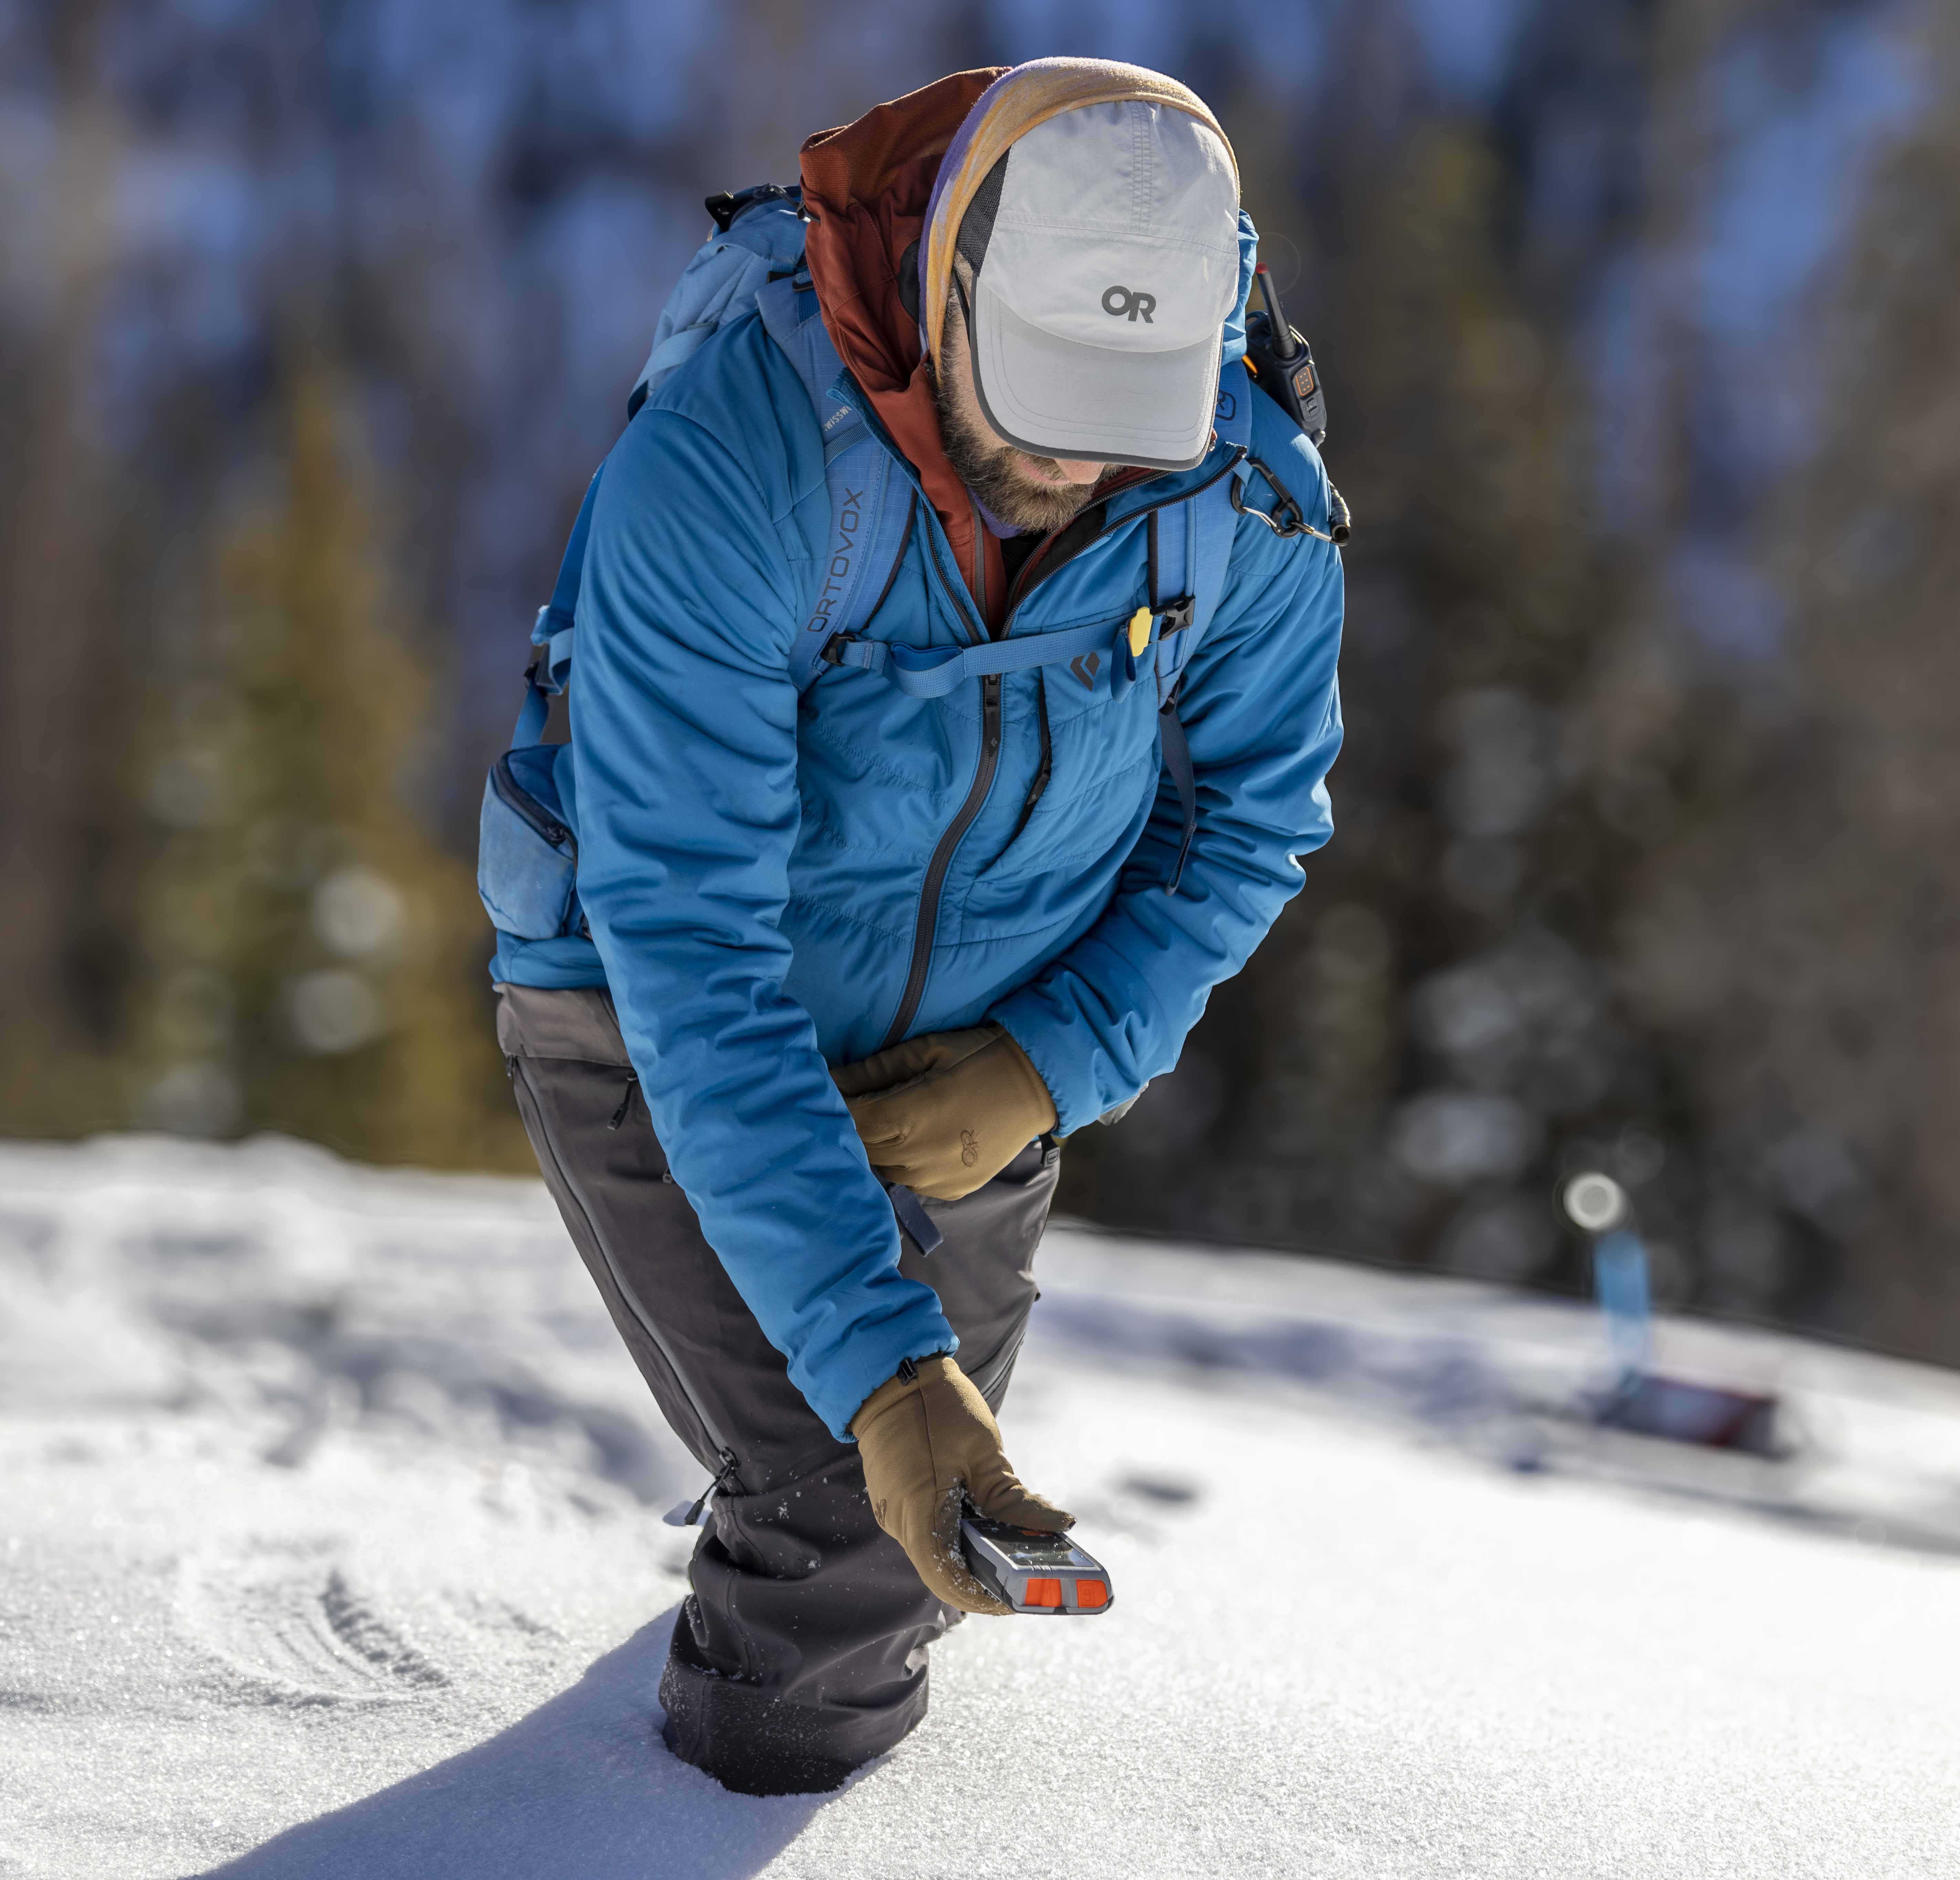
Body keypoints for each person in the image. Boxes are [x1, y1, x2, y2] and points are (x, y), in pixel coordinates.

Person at [489, 55, 1344, 1796]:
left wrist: (1048, 1063)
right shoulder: (731, 468)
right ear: (946, 283)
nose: (1066, 462)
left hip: (982, 1050)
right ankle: (712, 1805)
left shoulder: (1232, 490)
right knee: (846, 1503)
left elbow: (1251, 820)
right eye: (1032, 399)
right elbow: (693, 955)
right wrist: (879, 1372)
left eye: (1122, 417)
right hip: (652, 1017)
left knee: (927, 1528)